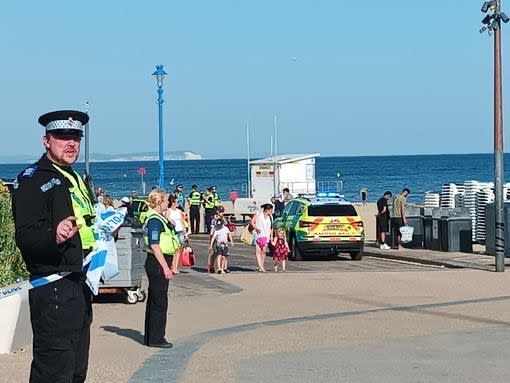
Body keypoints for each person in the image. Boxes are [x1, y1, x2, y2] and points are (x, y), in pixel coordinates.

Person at [12, 110, 96, 382]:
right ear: (46, 140)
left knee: (75, 370)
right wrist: (54, 236)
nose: (71, 143)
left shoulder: (74, 177)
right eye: (62, 137)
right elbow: (25, 236)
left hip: (79, 282)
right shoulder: (33, 179)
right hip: (53, 287)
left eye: (76, 138)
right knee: (53, 371)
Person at [142, 188, 178, 348]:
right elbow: (155, 245)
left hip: (160, 260)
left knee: (155, 299)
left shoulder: (159, 218)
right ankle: (156, 338)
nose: (168, 203)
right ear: (159, 201)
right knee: (159, 301)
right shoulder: (154, 220)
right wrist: (166, 268)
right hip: (157, 261)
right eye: (165, 200)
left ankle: (151, 336)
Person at [165, 195, 187, 274]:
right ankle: (171, 266)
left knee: (178, 250)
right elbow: (166, 218)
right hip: (173, 231)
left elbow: (182, 221)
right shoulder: (169, 211)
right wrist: (170, 220)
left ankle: (175, 267)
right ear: (173, 203)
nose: (178, 203)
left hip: (180, 230)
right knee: (173, 249)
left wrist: (185, 231)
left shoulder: (179, 211)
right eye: (177, 202)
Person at [251, 203, 274, 272]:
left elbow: (271, 227)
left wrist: (271, 237)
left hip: (266, 236)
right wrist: (256, 228)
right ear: (267, 210)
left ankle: (262, 265)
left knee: (263, 251)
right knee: (258, 251)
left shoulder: (271, 217)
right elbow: (252, 222)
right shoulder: (258, 214)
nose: (271, 211)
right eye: (271, 210)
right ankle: (260, 267)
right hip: (259, 235)